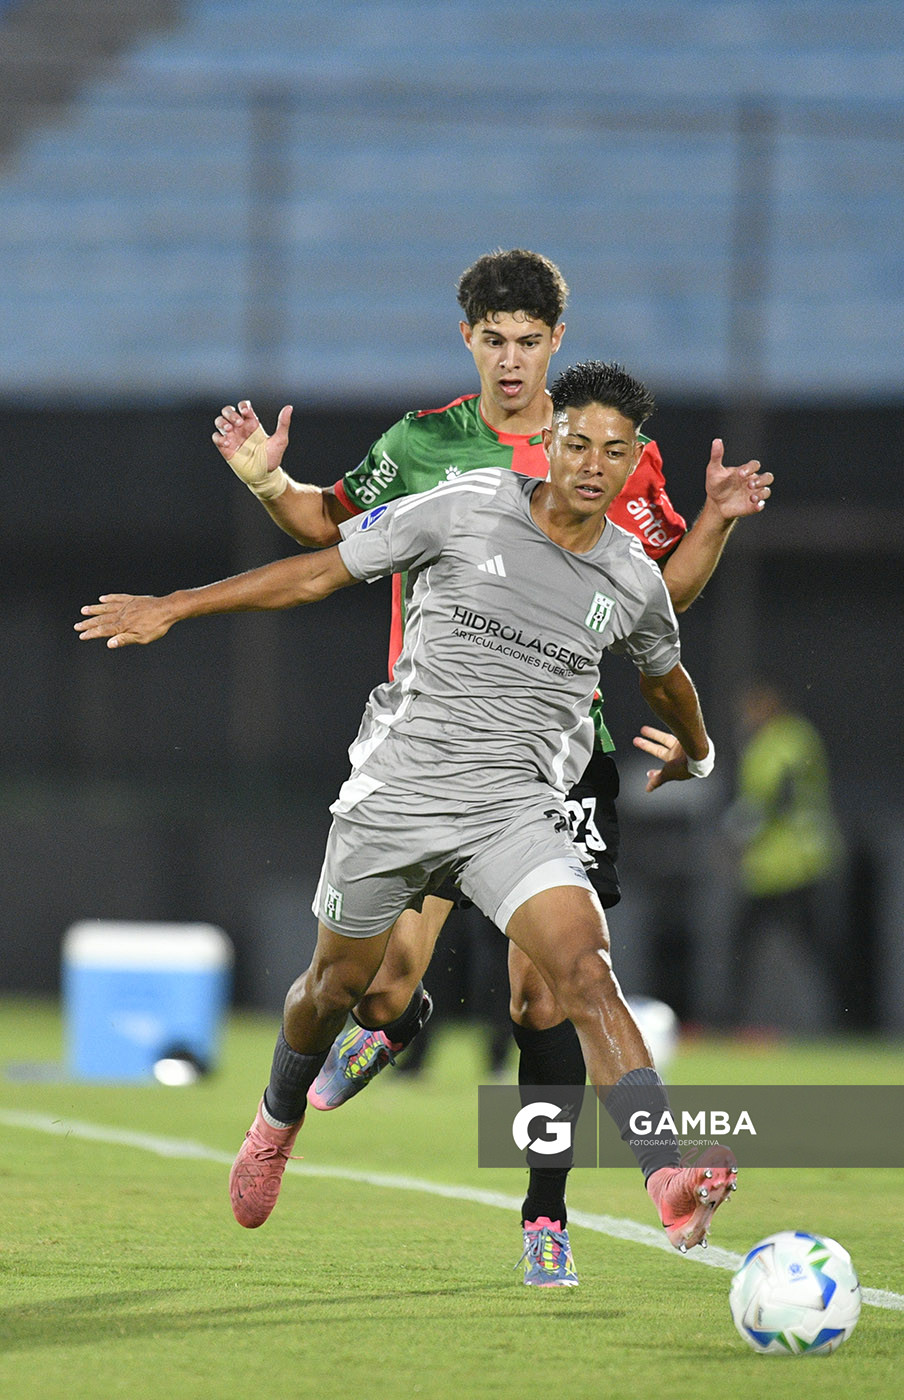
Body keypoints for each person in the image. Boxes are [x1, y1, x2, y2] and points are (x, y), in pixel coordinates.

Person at [76, 360, 739, 1269]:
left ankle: (664, 1176)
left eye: (613, 451)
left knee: (582, 971)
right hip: (398, 797)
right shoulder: (463, 504)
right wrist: (176, 606)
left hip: (514, 811)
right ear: (547, 439)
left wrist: (696, 751)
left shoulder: (631, 580)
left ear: (633, 465)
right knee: (335, 991)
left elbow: (668, 679)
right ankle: (275, 1121)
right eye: (577, 441)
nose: (592, 463)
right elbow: (318, 573)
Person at [207, 250, 769, 1283]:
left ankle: (587, 1199)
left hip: (550, 766)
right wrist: (261, 480)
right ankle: (362, 1047)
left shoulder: (617, 458)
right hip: (420, 755)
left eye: (528, 339)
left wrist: (718, 528)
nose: (511, 359)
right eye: (493, 339)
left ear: (556, 344)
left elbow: (655, 611)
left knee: (556, 990)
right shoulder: (435, 454)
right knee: (364, 986)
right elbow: (326, 537)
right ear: (470, 341)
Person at [722, 680, 846, 1028]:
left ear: (768, 706)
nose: (745, 717)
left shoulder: (789, 737)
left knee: (813, 945)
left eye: (750, 709)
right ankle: (738, 1024)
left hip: (796, 864)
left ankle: (848, 1020)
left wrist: (739, 830)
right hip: (770, 867)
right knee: (755, 943)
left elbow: (781, 794)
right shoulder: (772, 740)